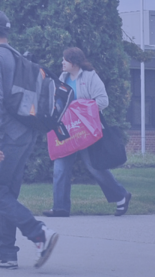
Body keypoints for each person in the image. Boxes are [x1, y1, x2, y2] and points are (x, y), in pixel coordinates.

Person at [0, 10, 58, 269]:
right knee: (7, 192)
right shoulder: (16, 55)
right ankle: (5, 254)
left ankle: (39, 234)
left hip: (7, 137)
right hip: (27, 133)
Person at [49, 47, 131, 218]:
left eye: (65, 60)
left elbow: (103, 101)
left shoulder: (90, 77)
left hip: (86, 131)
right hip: (67, 131)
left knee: (94, 167)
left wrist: (80, 109)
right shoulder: (62, 78)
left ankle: (121, 195)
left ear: (74, 62)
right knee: (60, 168)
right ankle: (60, 208)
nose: (62, 62)